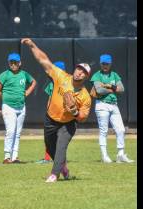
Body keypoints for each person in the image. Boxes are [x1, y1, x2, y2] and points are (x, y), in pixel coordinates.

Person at [21, 38, 92, 183]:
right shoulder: (61, 76)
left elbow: (83, 116)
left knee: (61, 147)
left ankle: (54, 174)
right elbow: (43, 60)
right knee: (50, 147)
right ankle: (63, 168)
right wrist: (32, 45)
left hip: (68, 123)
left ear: (86, 77)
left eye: (84, 72)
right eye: (79, 68)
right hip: (51, 119)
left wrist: (75, 113)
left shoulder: (85, 96)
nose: (80, 72)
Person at [0, 53, 36, 164]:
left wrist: (27, 92)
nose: (13, 64)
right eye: (11, 62)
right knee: (11, 131)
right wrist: (5, 99)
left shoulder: (24, 74)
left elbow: (33, 82)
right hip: (8, 107)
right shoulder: (5, 75)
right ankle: (7, 156)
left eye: (15, 62)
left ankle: (15, 157)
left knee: (17, 132)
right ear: (8, 63)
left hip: (21, 107)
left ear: (20, 63)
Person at [90, 54, 134, 163]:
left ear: (110, 64)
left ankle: (120, 154)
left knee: (121, 129)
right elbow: (99, 91)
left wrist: (107, 86)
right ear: (100, 64)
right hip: (102, 104)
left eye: (107, 63)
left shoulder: (114, 75)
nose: (105, 65)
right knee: (104, 130)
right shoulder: (97, 75)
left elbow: (122, 89)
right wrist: (113, 88)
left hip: (114, 104)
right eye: (103, 63)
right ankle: (104, 156)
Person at [36, 61, 66, 164]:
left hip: (62, 114)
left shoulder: (65, 84)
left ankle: (58, 159)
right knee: (49, 137)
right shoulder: (51, 84)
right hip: (52, 114)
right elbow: (49, 99)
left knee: (59, 138)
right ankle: (48, 158)